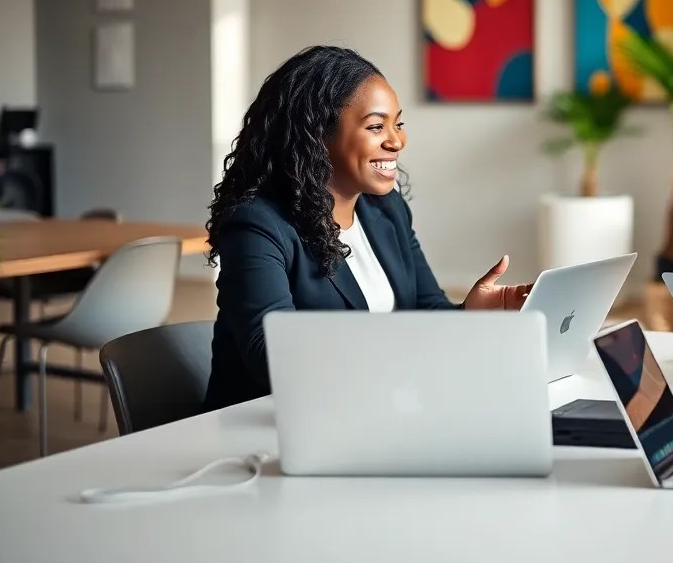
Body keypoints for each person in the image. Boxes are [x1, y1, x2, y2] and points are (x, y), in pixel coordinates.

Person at [202, 45, 531, 412]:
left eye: (398, 124)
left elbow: (425, 309)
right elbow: (270, 356)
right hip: (267, 427)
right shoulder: (258, 224)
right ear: (316, 135)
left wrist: (469, 313)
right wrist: (395, 349)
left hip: (370, 411)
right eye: (376, 126)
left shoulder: (386, 210)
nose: (396, 141)